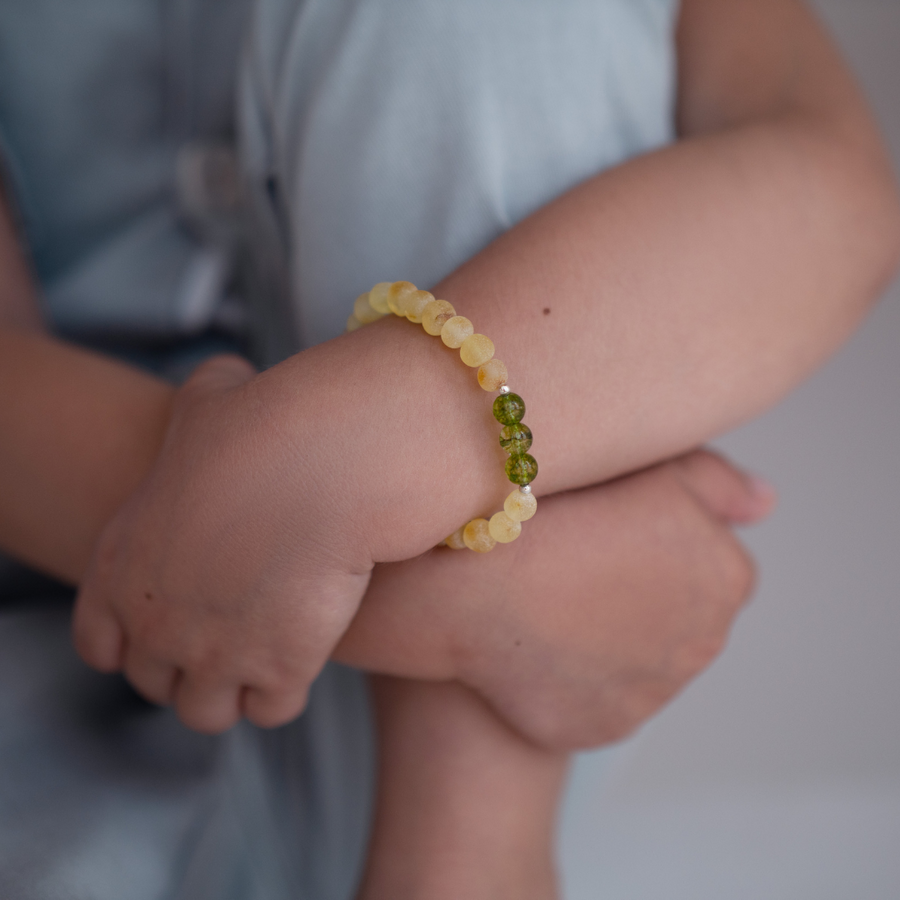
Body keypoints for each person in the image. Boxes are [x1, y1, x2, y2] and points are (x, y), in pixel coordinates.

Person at [1, 0, 898, 898]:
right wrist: (486, 605)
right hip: (51, 709)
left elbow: (839, 192)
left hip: (426, 795)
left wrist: (388, 439)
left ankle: (470, 866)